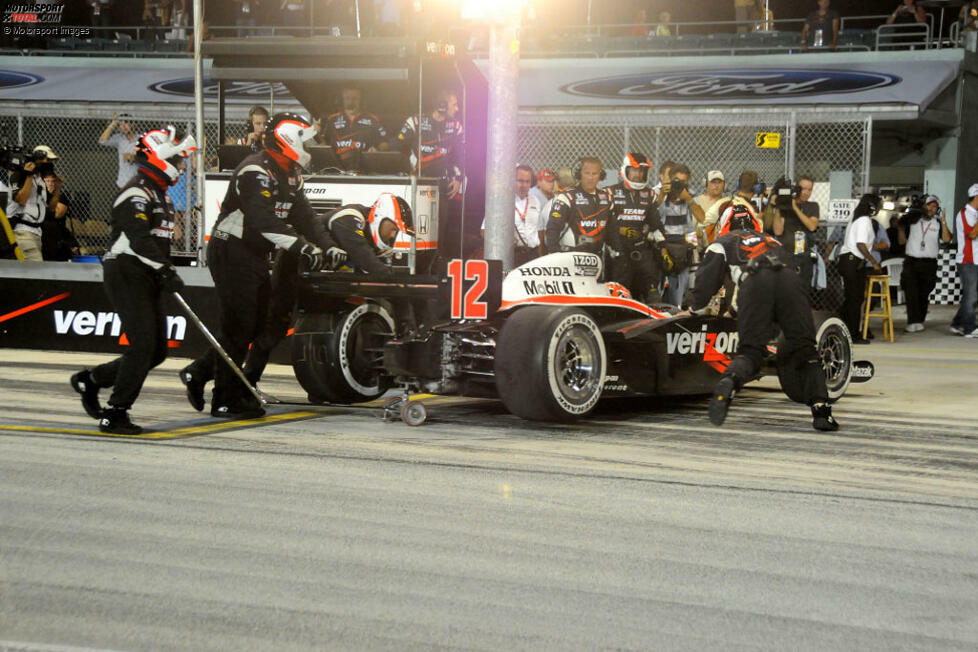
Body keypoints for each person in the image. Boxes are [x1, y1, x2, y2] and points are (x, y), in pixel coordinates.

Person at [186, 112, 346, 419]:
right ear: (287, 140)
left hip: (253, 253)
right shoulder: (255, 170)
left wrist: (330, 246)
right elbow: (262, 221)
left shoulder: (291, 174)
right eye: (305, 141)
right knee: (240, 325)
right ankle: (224, 399)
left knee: (255, 326)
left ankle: (199, 372)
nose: (310, 148)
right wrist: (302, 247)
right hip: (230, 249)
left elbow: (307, 220)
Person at [70, 126, 197, 435]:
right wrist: (167, 270)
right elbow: (138, 240)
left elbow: (159, 241)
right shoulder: (136, 191)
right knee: (142, 347)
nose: (182, 166)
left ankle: (92, 380)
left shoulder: (160, 194)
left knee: (156, 351)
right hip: (126, 271)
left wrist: (162, 270)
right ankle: (115, 413)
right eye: (179, 160)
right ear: (162, 157)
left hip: (147, 273)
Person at [689, 211, 839, 432]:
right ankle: (822, 412)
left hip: (755, 282)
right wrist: (735, 310)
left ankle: (730, 382)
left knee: (751, 351)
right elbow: (783, 274)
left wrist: (693, 311)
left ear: (724, 225)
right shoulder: (771, 240)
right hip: (790, 281)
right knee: (806, 349)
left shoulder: (720, 244)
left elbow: (704, 289)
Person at [397, 89, 465, 254]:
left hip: (442, 185)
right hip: (417, 183)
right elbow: (398, 147)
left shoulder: (456, 126)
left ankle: (436, 266)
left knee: (439, 229)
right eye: (454, 104)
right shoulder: (416, 121)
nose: (457, 109)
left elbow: (462, 156)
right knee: (415, 225)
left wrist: (458, 179)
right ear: (442, 105)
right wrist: (409, 169)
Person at [605, 153, 665, 303]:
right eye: (634, 170)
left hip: (641, 247)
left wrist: (663, 247)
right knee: (620, 288)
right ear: (625, 170)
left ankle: (654, 313)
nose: (638, 174)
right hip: (617, 249)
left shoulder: (650, 194)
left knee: (652, 287)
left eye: (642, 171)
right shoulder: (609, 193)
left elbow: (656, 224)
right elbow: (604, 225)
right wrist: (620, 230)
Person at [899, 195, 951, 332]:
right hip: (912, 261)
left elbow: (946, 239)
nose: (932, 209)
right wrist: (901, 231)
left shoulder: (937, 223)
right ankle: (912, 321)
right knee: (911, 292)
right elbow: (901, 233)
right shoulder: (913, 220)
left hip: (929, 263)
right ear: (923, 206)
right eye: (929, 205)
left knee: (924, 292)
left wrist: (944, 221)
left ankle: (919, 320)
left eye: (935, 207)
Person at [837, 194, 884, 344]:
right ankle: (853, 334)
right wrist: (873, 261)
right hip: (852, 260)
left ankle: (840, 324)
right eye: (878, 205)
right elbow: (861, 244)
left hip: (850, 261)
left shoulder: (857, 219)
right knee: (855, 299)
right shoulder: (864, 220)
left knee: (853, 299)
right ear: (871, 206)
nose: (879, 208)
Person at [5, 146, 63, 262]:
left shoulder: (40, 179)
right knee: (36, 271)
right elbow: (21, 200)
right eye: (47, 160)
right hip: (23, 231)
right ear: (38, 159)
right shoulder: (19, 175)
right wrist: (29, 175)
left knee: (30, 273)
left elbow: (51, 207)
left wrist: (57, 189)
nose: (50, 164)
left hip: (37, 233)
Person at [658, 163, 705, 306]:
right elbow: (652, 215)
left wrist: (688, 199)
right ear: (670, 179)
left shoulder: (689, 193)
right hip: (662, 242)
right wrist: (662, 195)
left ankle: (678, 309)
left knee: (682, 286)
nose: (680, 184)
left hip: (683, 244)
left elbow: (702, 218)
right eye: (677, 181)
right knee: (657, 285)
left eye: (684, 181)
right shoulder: (659, 192)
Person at [545, 157, 612, 255]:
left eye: (594, 174)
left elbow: (612, 230)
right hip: (572, 254)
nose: (591, 177)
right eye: (587, 173)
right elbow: (552, 228)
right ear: (579, 174)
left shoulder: (607, 198)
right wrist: (555, 252)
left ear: (600, 176)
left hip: (597, 255)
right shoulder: (567, 197)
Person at [481, 165, 543, 266]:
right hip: (512, 255)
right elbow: (484, 231)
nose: (524, 185)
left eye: (527, 182)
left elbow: (539, 232)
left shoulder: (535, 201)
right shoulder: (501, 201)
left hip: (533, 255)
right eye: (520, 181)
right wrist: (504, 238)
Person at [323, 86, 389, 170]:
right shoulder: (332, 119)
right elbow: (323, 145)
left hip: (366, 170)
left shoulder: (372, 119)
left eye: (355, 98)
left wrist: (377, 150)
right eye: (347, 98)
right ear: (342, 99)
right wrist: (314, 133)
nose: (351, 101)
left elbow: (385, 143)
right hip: (337, 170)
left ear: (360, 100)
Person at [773, 175, 820, 288]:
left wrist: (794, 207)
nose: (806, 193)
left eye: (809, 190)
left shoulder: (812, 206)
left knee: (803, 290)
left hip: (804, 256)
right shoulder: (786, 207)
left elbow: (812, 226)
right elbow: (778, 231)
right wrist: (780, 207)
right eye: (803, 189)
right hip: (786, 254)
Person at [950, 184, 978, 337]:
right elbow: (972, 235)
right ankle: (969, 328)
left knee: (971, 295)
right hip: (968, 261)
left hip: (976, 261)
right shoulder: (965, 213)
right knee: (971, 295)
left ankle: (957, 323)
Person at [704, 170, 762, 242]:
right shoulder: (753, 210)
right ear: (757, 188)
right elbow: (760, 233)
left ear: (738, 185)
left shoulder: (723, 203)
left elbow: (703, 223)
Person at [40, 171, 79, 261]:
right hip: (42, 231)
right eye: (48, 181)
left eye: (53, 181)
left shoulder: (61, 196)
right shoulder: (39, 195)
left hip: (57, 231)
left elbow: (57, 214)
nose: (50, 184)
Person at [99, 113, 140, 190]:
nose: (123, 126)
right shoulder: (119, 138)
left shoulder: (140, 139)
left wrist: (134, 157)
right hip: (122, 183)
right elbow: (102, 141)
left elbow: (147, 158)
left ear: (133, 124)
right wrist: (113, 124)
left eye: (126, 123)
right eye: (121, 124)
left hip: (136, 183)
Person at [530, 168, 557, 252]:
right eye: (548, 181)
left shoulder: (550, 195)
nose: (551, 184)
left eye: (552, 181)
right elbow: (539, 230)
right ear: (539, 182)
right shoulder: (534, 195)